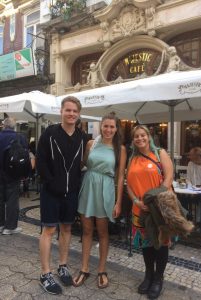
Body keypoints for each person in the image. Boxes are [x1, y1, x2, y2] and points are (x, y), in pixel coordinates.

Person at [36, 96, 87, 295]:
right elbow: (40, 161)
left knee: (66, 228)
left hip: (71, 192)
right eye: (68, 110)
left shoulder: (82, 137)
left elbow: (81, 163)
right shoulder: (50, 133)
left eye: (75, 111)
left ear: (78, 113)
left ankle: (63, 265)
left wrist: (74, 184)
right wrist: (51, 181)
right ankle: (45, 273)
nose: (71, 114)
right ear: (61, 111)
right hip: (51, 191)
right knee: (49, 230)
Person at [73, 112, 126, 289]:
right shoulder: (91, 143)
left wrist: (118, 202)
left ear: (116, 128)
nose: (108, 129)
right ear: (101, 126)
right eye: (106, 126)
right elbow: (81, 165)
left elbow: (119, 177)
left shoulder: (121, 149)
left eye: (112, 126)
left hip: (106, 190)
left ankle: (102, 269)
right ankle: (84, 268)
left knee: (103, 232)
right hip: (88, 186)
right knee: (86, 230)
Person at [126, 125, 173, 299]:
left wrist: (154, 199)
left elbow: (168, 178)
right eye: (136, 136)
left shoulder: (160, 153)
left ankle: (158, 278)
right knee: (146, 244)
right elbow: (128, 185)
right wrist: (136, 201)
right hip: (140, 209)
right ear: (133, 140)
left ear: (148, 136)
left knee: (160, 244)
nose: (140, 138)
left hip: (159, 208)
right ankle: (148, 275)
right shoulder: (132, 159)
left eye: (143, 135)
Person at [0, 117, 28, 235]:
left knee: (0, 200)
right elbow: (25, 155)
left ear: (4, 125)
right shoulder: (20, 137)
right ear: (14, 126)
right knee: (12, 200)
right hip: (13, 174)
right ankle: (10, 227)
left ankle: (0, 225)